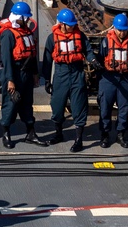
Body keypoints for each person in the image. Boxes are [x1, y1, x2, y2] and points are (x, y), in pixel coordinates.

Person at [41, 9, 95, 152]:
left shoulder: (80, 36)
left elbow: (88, 51)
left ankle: (79, 139)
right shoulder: (52, 38)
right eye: (69, 25)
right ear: (62, 24)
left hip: (77, 73)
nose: (72, 27)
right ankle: (59, 133)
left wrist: (93, 60)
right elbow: (47, 60)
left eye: (72, 25)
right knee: (57, 106)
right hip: (61, 74)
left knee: (79, 106)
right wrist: (46, 79)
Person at [0, 1, 46, 149]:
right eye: (25, 17)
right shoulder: (8, 34)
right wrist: (10, 80)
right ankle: (6, 133)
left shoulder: (27, 32)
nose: (27, 20)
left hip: (27, 74)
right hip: (14, 74)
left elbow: (32, 55)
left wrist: (35, 74)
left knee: (27, 104)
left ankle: (30, 133)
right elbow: (6, 60)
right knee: (11, 104)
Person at [97, 13, 128, 150]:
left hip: (125, 79)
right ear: (115, 28)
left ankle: (121, 134)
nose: (122, 33)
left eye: (124, 30)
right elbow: (101, 59)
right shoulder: (106, 42)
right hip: (108, 78)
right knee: (105, 107)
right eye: (119, 30)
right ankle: (105, 134)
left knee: (124, 109)